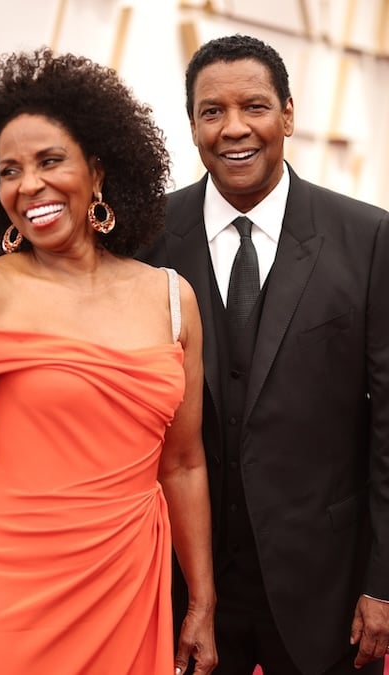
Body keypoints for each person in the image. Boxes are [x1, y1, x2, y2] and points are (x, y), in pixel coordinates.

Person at [0, 48, 218, 674]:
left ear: (97, 171)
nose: (28, 186)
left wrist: (202, 603)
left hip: (125, 595)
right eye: (9, 171)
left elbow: (183, 464)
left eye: (49, 161)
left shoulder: (170, 299)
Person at [142, 34, 389, 675]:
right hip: (184, 587)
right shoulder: (148, 239)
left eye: (253, 106)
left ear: (287, 114)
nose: (233, 128)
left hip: (326, 587)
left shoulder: (367, 238)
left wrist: (383, 581)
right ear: (192, 125)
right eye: (212, 111)